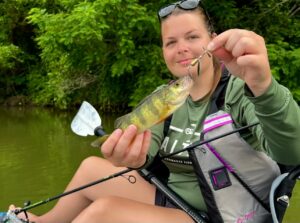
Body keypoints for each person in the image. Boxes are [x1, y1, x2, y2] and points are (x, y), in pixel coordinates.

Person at [10, 0, 300, 222]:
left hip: (220, 215)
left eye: (192, 37)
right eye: (170, 42)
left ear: (213, 40)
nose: (181, 49)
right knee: (90, 167)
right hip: (172, 199)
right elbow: (144, 149)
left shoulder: (242, 91)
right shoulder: (165, 98)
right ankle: (42, 220)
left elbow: (292, 153)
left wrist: (263, 86)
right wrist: (127, 156)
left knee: (103, 211)